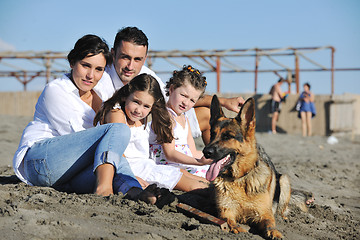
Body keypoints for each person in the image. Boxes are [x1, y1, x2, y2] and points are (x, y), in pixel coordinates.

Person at [12, 34, 159, 203]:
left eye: (99, 69)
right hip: (40, 163)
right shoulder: (56, 90)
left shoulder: (101, 94)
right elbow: (90, 138)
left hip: (68, 174)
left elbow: (106, 150)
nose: (91, 75)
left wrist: (130, 176)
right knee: (118, 130)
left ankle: (136, 192)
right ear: (72, 62)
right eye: (85, 66)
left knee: (111, 167)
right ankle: (104, 190)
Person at [101, 26, 245, 145]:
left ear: (145, 59)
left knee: (207, 115)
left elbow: (176, 99)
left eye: (137, 59)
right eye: (125, 57)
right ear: (113, 54)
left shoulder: (147, 75)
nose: (130, 66)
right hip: (119, 138)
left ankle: (217, 164)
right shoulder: (102, 78)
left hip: (148, 133)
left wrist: (225, 102)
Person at [93, 73, 210, 193]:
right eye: (136, 102)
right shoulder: (117, 114)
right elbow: (116, 151)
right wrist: (130, 177)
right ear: (126, 96)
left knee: (197, 180)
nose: (139, 110)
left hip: (148, 166)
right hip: (131, 169)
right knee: (191, 185)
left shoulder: (142, 118)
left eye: (146, 106)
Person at [149, 65, 212, 178]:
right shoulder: (165, 116)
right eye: (183, 95)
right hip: (168, 166)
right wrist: (198, 162)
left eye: (192, 100)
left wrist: (210, 158)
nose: (186, 103)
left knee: (214, 171)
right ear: (172, 89)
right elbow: (170, 154)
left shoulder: (184, 118)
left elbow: (192, 151)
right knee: (206, 177)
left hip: (184, 164)